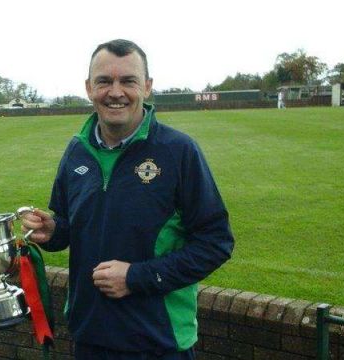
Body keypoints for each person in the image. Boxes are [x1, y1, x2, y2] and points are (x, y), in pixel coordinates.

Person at [21, 39, 234, 359]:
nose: (115, 91)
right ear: (89, 88)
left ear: (147, 87)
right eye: (104, 81)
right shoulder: (76, 151)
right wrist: (53, 231)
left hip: (158, 341)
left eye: (128, 81)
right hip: (90, 335)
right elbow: (68, 226)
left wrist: (136, 278)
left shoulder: (179, 151)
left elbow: (215, 243)